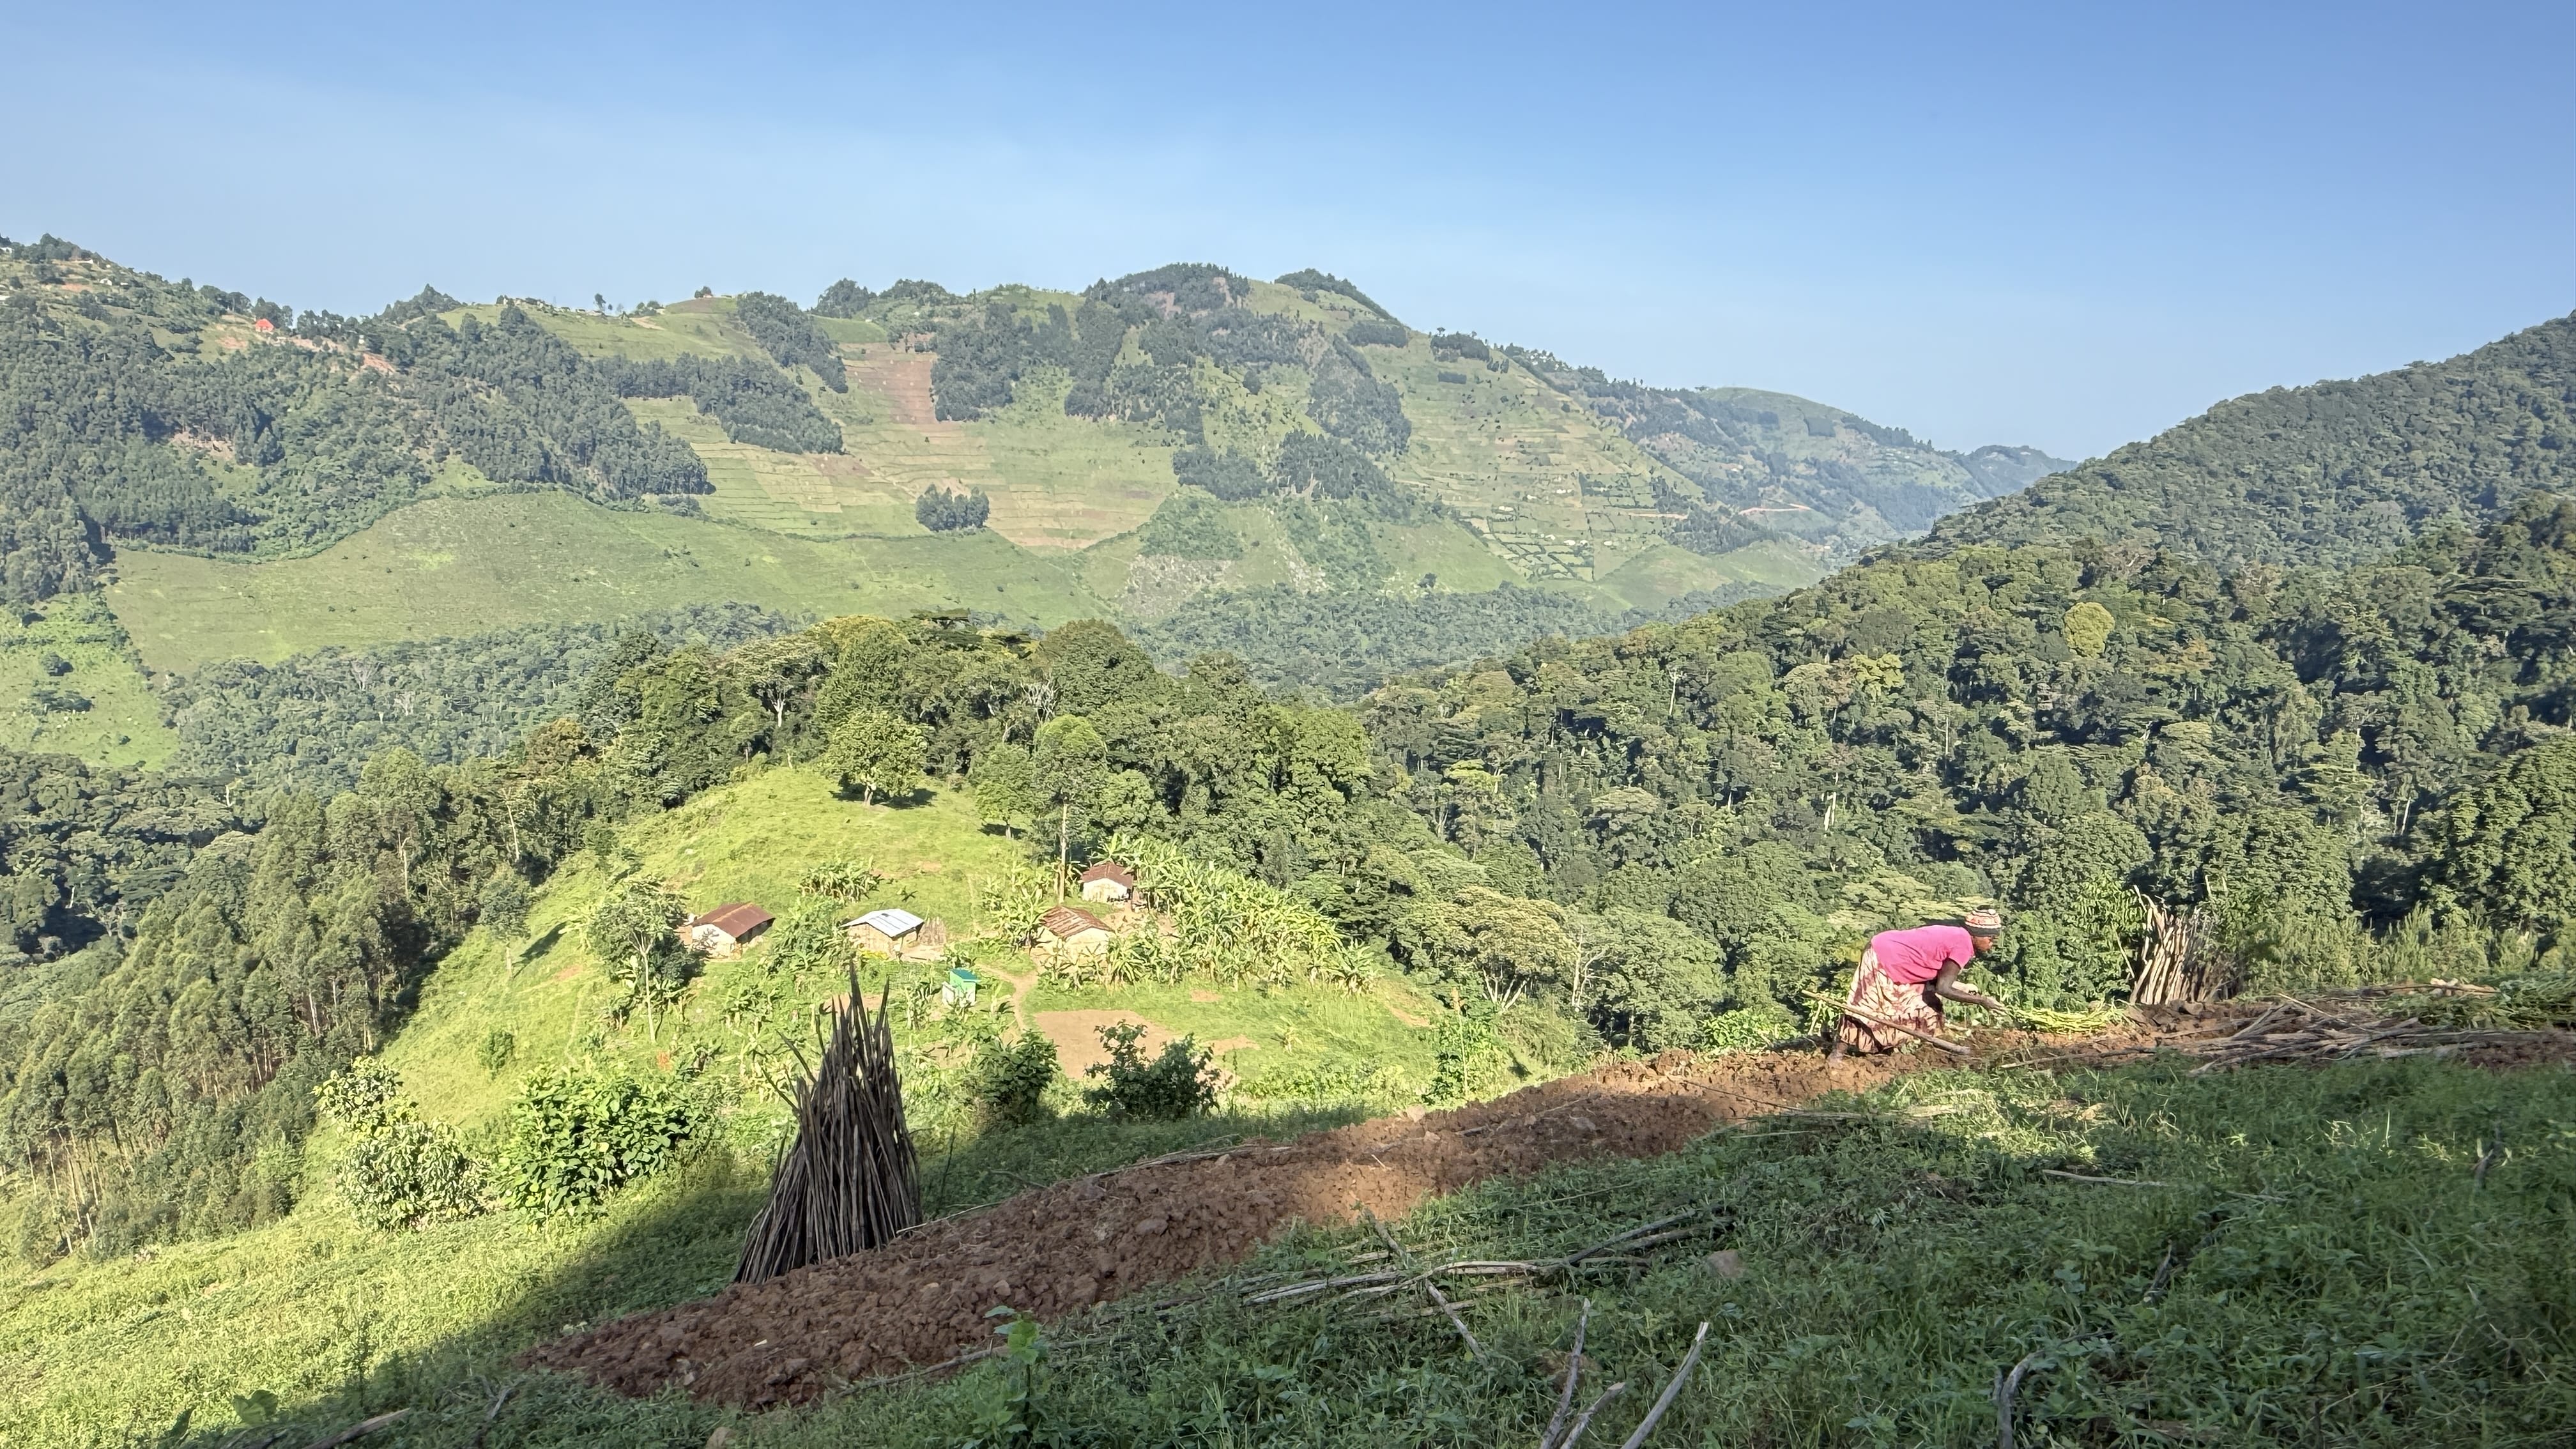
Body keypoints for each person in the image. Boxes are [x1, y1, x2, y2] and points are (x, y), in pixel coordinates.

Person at [1827, 908, 2006, 1060]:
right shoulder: (1963, 945)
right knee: (1867, 1007)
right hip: (1882, 955)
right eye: (1990, 939)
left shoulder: (1958, 935)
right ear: (1977, 935)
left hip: (1901, 964)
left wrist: (1961, 987)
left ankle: (1899, 1052)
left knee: (1928, 1008)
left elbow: (1934, 969)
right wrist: (1982, 1001)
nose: (1991, 944)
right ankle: (1837, 1054)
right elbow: (1943, 988)